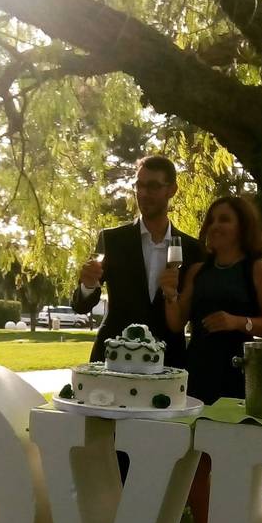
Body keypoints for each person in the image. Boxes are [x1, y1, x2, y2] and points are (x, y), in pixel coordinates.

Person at [159, 195, 262, 523]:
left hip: (239, 375)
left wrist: (237, 322)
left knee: (233, 465)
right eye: (212, 219)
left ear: (242, 227)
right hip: (200, 373)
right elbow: (174, 322)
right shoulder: (198, 271)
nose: (215, 226)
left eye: (225, 219)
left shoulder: (258, 269)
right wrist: (169, 291)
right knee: (196, 465)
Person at [72, 154, 203, 368]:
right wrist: (87, 285)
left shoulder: (192, 248)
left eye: (152, 186)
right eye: (139, 185)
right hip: (113, 358)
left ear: (172, 190)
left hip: (167, 360)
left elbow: (191, 311)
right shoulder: (112, 240)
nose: (143, 193)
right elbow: (82, 305)